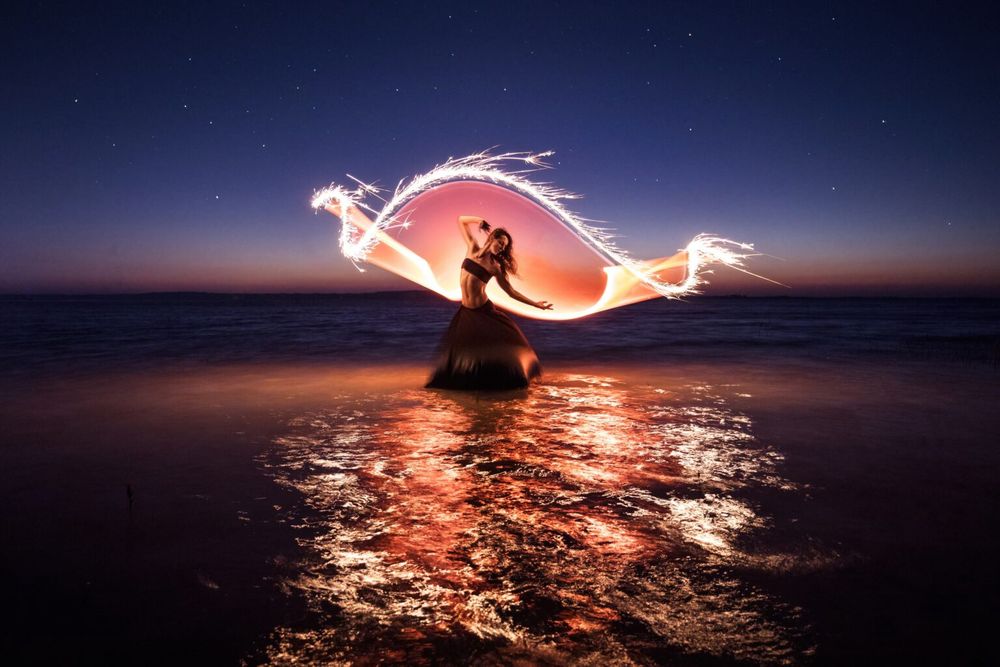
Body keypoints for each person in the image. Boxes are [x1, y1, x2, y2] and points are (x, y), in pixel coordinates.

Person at [426, 216, 552, 390]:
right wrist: (479, 220)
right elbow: (461, 220)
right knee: (462, 352)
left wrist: (536, 304)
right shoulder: (471, 248)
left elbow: (511, 292)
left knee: (502, 343)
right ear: (492, 238)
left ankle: (511, 378)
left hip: (483, 311)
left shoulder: (495, 267)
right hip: (466, 312)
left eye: (504, 246)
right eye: (500, 243)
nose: (501, 248)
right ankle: (473, 386)